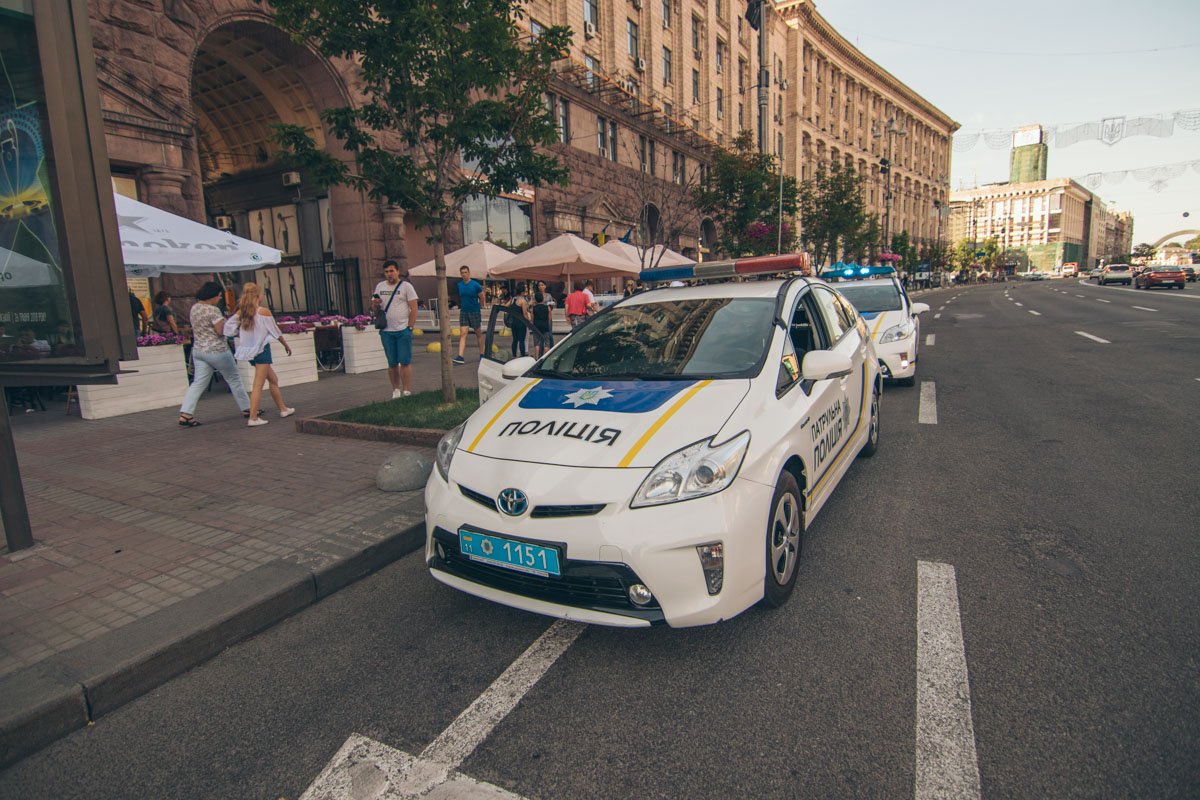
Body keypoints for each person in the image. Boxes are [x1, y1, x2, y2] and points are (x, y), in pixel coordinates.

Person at [177, 281, 251, 427]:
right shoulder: (213, 310)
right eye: (219, 295)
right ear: (212, 296)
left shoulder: (195, 308)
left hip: (199, 350)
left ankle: (186, 413)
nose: (219, 298)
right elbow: (220, 331)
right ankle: (247, 409)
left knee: (198, 383)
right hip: (217, 350)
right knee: (234, 379)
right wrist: (232, 324)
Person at [223, 282, 295, 427]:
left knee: (273, 379)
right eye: (261, 293)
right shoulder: (263, 312)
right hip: (262, 350)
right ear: (258, 295)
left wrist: (242, 335)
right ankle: (253, 418)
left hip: (249, 351)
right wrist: (285, 345)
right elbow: (275, 331)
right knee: (258, 384)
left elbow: (228, 328)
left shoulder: (242, 312)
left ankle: (283, 409)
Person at [370, 259, 418, 398]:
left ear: (398, 271)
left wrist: (410, 327)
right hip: (386, 331)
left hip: (403, 330)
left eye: (391, 271)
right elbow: (374, 308)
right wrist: (375, 304)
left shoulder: (406, 286)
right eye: (386, 272)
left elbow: (414, 308)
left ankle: (407, 390)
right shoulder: (380, 286)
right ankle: (396, 390)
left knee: (405, 361)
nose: (389, 274)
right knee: (392, 363)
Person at [453, 265, 484, 364]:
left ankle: (482, 354)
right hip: (464, 312)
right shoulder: (459, 285)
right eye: (462, 273)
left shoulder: (475, 285)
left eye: (465, 272)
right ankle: (460, 356)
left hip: (474, 311)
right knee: (463, 333)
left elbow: (482, 297)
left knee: (478, 333)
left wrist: (480, 307)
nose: (464, 274)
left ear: (469, 273)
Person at [501, 285, 529, 358]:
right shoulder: (523, 301)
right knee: (522, 340)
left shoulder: (513, 299)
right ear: (522, 292)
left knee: (515, 340)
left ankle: (514, 355)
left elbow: (505, 306)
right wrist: (528, 322)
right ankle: (522, 356)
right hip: (521, 322)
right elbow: (525, 313)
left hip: (513, 322)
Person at [530, 291, 553, 358]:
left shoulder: (533, 308)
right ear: (542, 299)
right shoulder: (547, 307)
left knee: (537, 343)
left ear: (535, 300)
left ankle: (537, 358)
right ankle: (546, 357)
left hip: (536, 327)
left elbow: (532, 319)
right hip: (545, 326)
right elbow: (550, 318)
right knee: (546, 343)